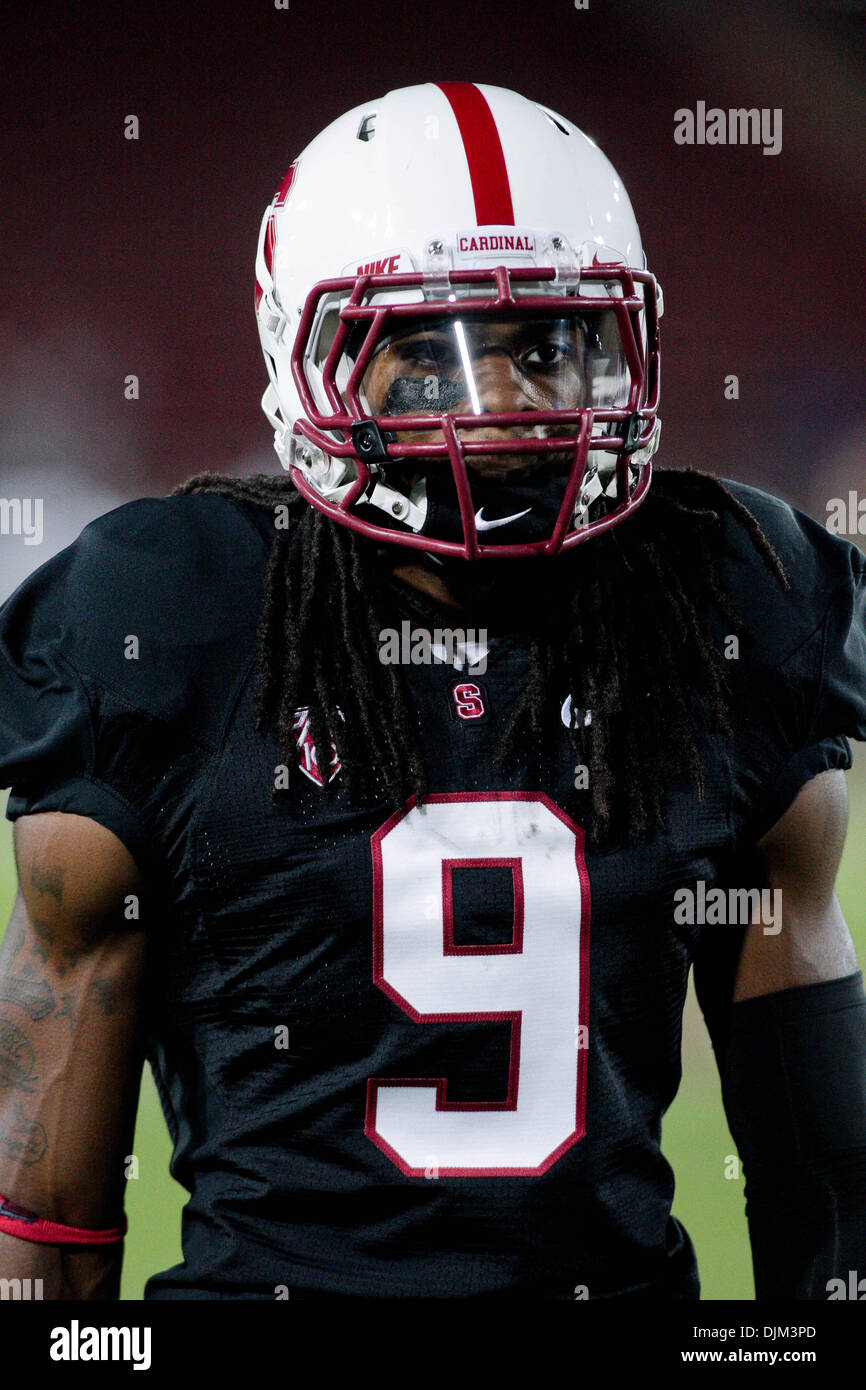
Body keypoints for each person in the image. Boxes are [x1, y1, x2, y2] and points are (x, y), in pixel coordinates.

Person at [0, 82, 864, 1301]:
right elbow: (46, 1219)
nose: (501, 403)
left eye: (547, 344)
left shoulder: (725, 597)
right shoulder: (166, 620)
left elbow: (823, 1191)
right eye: (423, 355)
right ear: (306, 359)